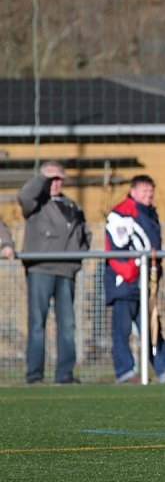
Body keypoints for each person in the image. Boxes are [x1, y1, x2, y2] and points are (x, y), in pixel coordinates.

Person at [17, 160, 91, 384]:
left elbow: (84, 233)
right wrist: (42, 177)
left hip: (66, 270)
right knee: (37, 323)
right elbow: (24, 196)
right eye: (51, 179)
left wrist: (80, 253)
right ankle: (34, 374)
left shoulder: (72, 205)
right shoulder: (36, 204)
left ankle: (65, 373)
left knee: (67, 324)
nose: (55, 183)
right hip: (41, 268)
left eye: (59, 179)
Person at [104, 175, 165, 384]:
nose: (149, 195)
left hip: (146, 282)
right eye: (144, 191)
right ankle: (125, 372)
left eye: (151, 191)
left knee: (151, 325)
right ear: (134, 190)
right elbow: (116, 248)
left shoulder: (150, 213)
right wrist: (130, 271)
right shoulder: (122, 212)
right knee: (122, 329)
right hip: (125, 282)